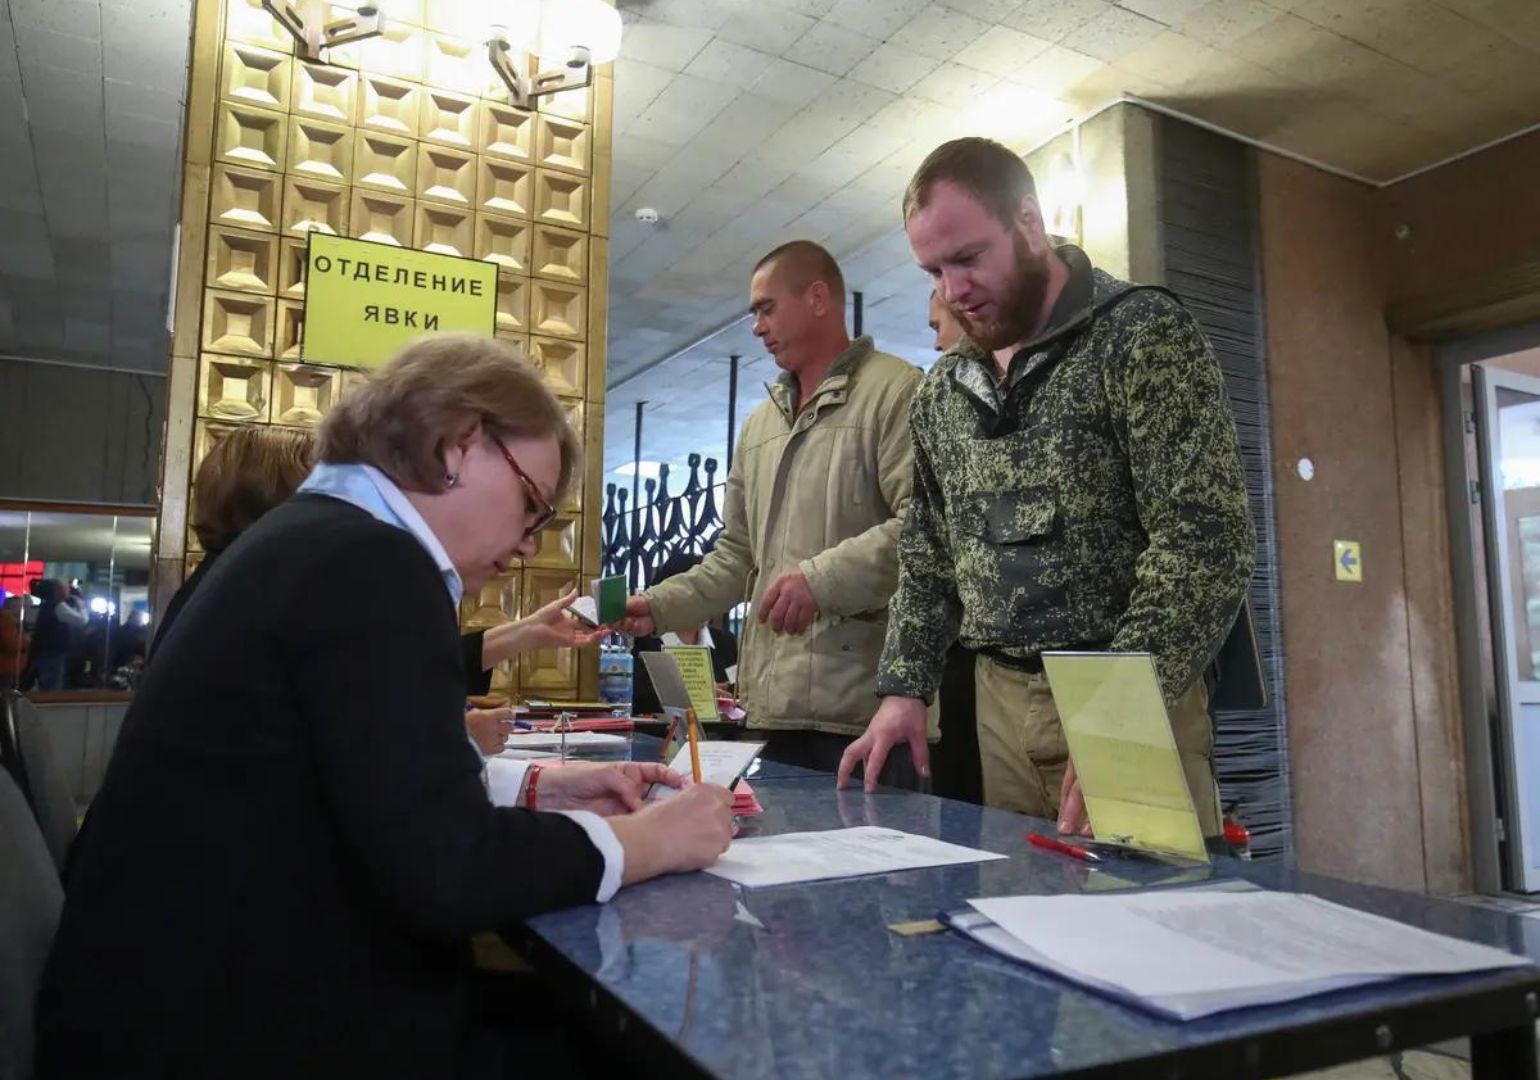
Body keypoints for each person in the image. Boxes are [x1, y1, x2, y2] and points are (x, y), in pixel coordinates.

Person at [34, 335, 735, 1080]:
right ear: (462, 445)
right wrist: (648, 842)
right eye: (534, 505)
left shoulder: (304, 540)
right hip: (238, 1027)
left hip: (162, 1005)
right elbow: (446, 874)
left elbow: (345, 780)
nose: (531, 546)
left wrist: (532, 786)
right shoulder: (373, 564)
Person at [839, 137, 1255, 840]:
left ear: (1029, 223)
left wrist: (1119, 720)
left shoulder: (1139, 334)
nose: (952, 289)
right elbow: (930, 551)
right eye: (934, 269)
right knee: (1023, 919)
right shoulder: (944, 390)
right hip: (999, 704)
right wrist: (905, 685)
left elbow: (1204, 539)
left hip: (1127, 690)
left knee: (1147, 925)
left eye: (968, 258)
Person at [620, 241, 925, 780]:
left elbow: (926, 530)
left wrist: (820, 580)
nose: (757, 327)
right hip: (770, 714)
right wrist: (660, 606)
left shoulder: (897, 392)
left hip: (866, 715)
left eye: (766, 308)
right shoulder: (760, 425)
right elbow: (736, 557)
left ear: (817, 298)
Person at [924, 289, 983, 805]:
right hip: (977, 674)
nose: (938, 342)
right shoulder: (940, 402)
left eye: (937, 324)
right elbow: (926, 548)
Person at [630, 551, 739, 716]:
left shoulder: (725, 642)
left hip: (720, 735)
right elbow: (639, 697)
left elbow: (738, 689)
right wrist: (694, 695)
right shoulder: (645, 641)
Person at [26, 579, 86, 690]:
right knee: (52, 686)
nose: (68, 590)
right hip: (54, 652)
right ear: (58, 591)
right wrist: (81, 606)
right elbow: (81, 621)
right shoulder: (59, 607)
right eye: (65, 588)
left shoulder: (45, 606)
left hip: (42, 650)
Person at [0, 593, 26, 691]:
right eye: (18, 606)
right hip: (6, 665)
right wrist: (26, 641)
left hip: (8, 665)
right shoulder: (6, 620)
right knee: (6, 694)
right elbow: (12, 643)